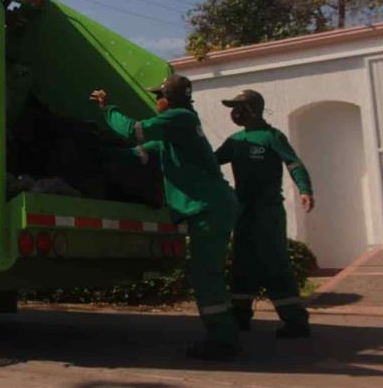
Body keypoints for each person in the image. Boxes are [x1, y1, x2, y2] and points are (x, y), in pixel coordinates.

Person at [90, 75, 241, 360]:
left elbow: (135, 131)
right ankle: (226, 333)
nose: (156, 100)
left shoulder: (178, 118)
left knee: (205, 274)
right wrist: (106, 153)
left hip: (208, 207)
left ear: (168, 98)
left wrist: (107, 108)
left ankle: (223, 340)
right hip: (212, 206)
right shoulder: (180, 128)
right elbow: (145, 152)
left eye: (159, 95)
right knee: (207, 273)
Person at [216, 89, 314, 338]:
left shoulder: (272, 137)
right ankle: (240, 316)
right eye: (233, 108)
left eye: (239, 108)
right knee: (241, 262)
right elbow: (211, 161)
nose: (235, 113)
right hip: (244, 212)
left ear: (253, 109)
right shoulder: (236, 140)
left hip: (268, 212)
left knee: (275, 262)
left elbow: (293, 164)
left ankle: (296, 321)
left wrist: (305, 189)